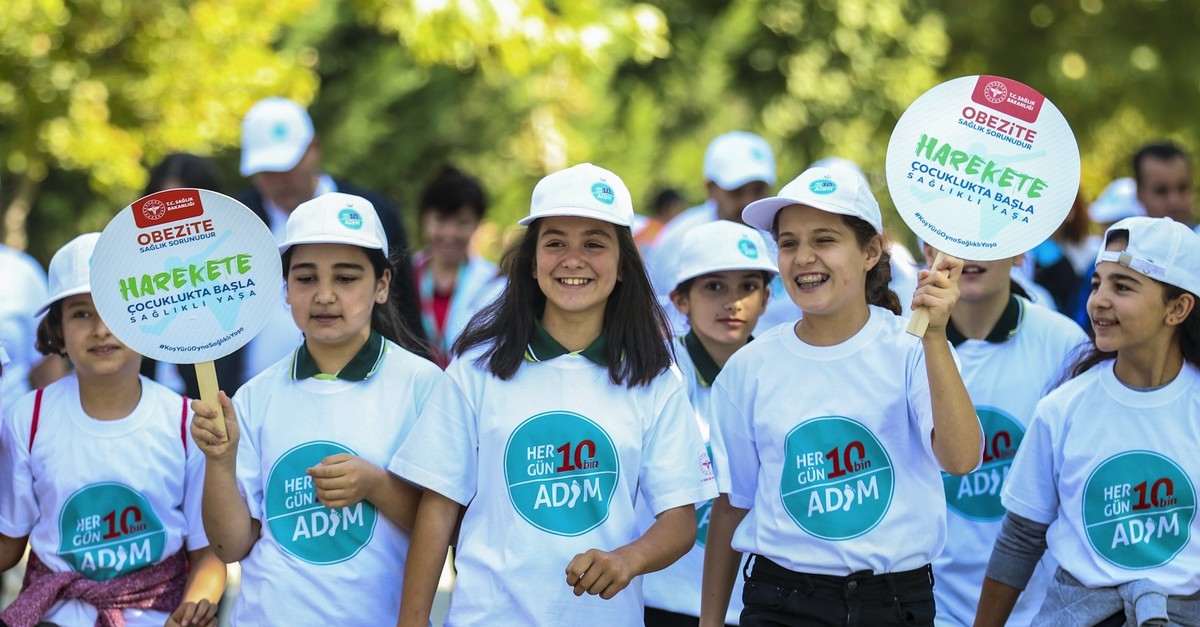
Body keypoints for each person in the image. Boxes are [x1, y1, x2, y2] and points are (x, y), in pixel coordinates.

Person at [393, 163, 717, 626]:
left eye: (594, 243)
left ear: (623, 264)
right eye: (555, 242)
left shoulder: (654, 377)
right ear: (531, 259)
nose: (573, 258)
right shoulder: (476, 369)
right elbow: (439, 508)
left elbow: (679, 521)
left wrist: (627, 559)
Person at [700, 166, 984, 626]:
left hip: (895, 603)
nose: (803, 257)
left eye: (825, 240)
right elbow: (734, 504)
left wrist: (934, 338)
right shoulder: (749, 369)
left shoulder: (913, 348)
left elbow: (961, 459)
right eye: (789, 243)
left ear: (871, 251)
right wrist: (709, 623)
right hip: (781, 601)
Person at [188, 193, 442, 625]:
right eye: (305, 279)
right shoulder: (254, 396)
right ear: (284, 289)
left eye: (346, 278)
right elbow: (230, 546)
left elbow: (446, 532)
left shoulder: (424, 387)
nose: (324, 296)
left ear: (382, 284)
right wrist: (220, 463)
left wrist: (376, 485)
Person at [976, 216, 1200, 626]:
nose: (1098, 300)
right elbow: (1020, 538)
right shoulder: (1063, 408)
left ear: (1178, 308)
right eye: (1097, 283)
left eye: (1123, 286)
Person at [0, 233, 225, 627]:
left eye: (116, 309)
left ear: (150, 317)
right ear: (57, 331)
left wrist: (192, 611)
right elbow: (8, 545)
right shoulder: (27, 418)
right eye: (81, 313)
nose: (101, 329)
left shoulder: (187, 421)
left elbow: (210, 554)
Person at [919, 242, 1087, 627]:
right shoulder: (900, 345)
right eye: (953, 237)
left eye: (987, 237)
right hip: (925, 604)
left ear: (1020, 250)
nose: (969, 252)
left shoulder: (1065, 343)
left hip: (1042, 607)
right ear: (928, 249)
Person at [235, 97, 428, 385]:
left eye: (287, 166)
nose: (278, 180)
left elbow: (405, 312)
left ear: (314, 149)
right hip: (247, 400)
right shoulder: (236, 223)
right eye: (266, 172)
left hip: (367, 394)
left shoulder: (375, 212)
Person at [641, 220, 778, 626]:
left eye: (748, 287)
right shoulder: (652, 373)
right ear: (681, 299)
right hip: (659, 597)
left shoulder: (784, 373)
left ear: (767, 298)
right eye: (714, 286)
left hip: (760, 601)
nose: (732, 302)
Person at [137, 152, 242, 398]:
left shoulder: (237, 278)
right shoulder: (137, 283)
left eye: (185, 212)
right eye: (162, 213)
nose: (175, 228)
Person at [413, 165, 503, 367]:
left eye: (462, 222)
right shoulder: (400, 279)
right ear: (423, 219)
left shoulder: (495, 284)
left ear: (477, 223)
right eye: (441, 220)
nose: (449, 234)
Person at [1132, 141, 1196, 229]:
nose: (1174, 201)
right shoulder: (1124, 241)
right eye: (1161, 191)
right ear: (1139, 194)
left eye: (1182, 188)